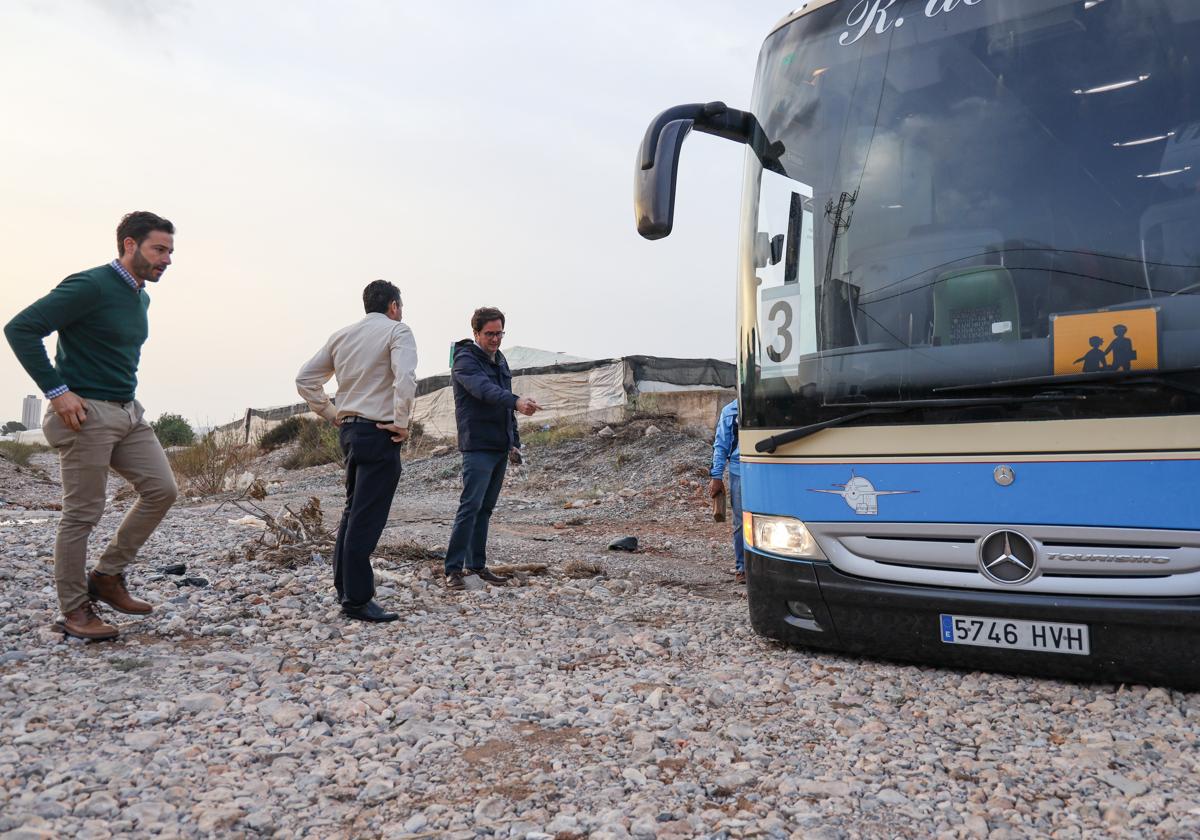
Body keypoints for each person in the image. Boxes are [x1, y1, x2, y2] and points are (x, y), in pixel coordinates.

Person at [3, 211, 179, 640]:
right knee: (83, 513)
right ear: (130, 245)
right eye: (160, 249)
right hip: (86, 413)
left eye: (171, 252)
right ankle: (74, 611)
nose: (168, 260)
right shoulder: (90, 285)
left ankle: (107, 576)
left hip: (127, 411)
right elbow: (21, 328)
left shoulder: (141, 296)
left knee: (163, 490)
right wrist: (57, 391)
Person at [296, 280, 418, 622]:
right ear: (393, 305)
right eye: (401, 306)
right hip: (380, 431)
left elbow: (305, 379)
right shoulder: (398, 331)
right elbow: (405, 377)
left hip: (350, 432)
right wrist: (402, 421)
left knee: (353, 511)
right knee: (366, 517)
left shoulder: (342, 336)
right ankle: (358, 599)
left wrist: (334, 414)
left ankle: (345, 588)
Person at [444, 307, 540, 590]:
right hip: (477, 445)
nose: (495, 339)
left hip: (499, 445)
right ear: (476, 333)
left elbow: (505, 408)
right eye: (490, 334)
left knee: (485, 509)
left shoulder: (500, 360)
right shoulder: (464, 361)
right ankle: (453, 570)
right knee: (470, 506)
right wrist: (516, 400)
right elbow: (485, 391)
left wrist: (514, 442)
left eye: (499, 333)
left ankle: (477, 565)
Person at [709, 399, 744, 584]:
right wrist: (716, 476)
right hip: (739, 471)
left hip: (768, 468)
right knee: (740, 521)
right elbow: (721, 445)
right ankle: (742, 568)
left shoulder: (775, 404)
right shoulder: (730, 411)